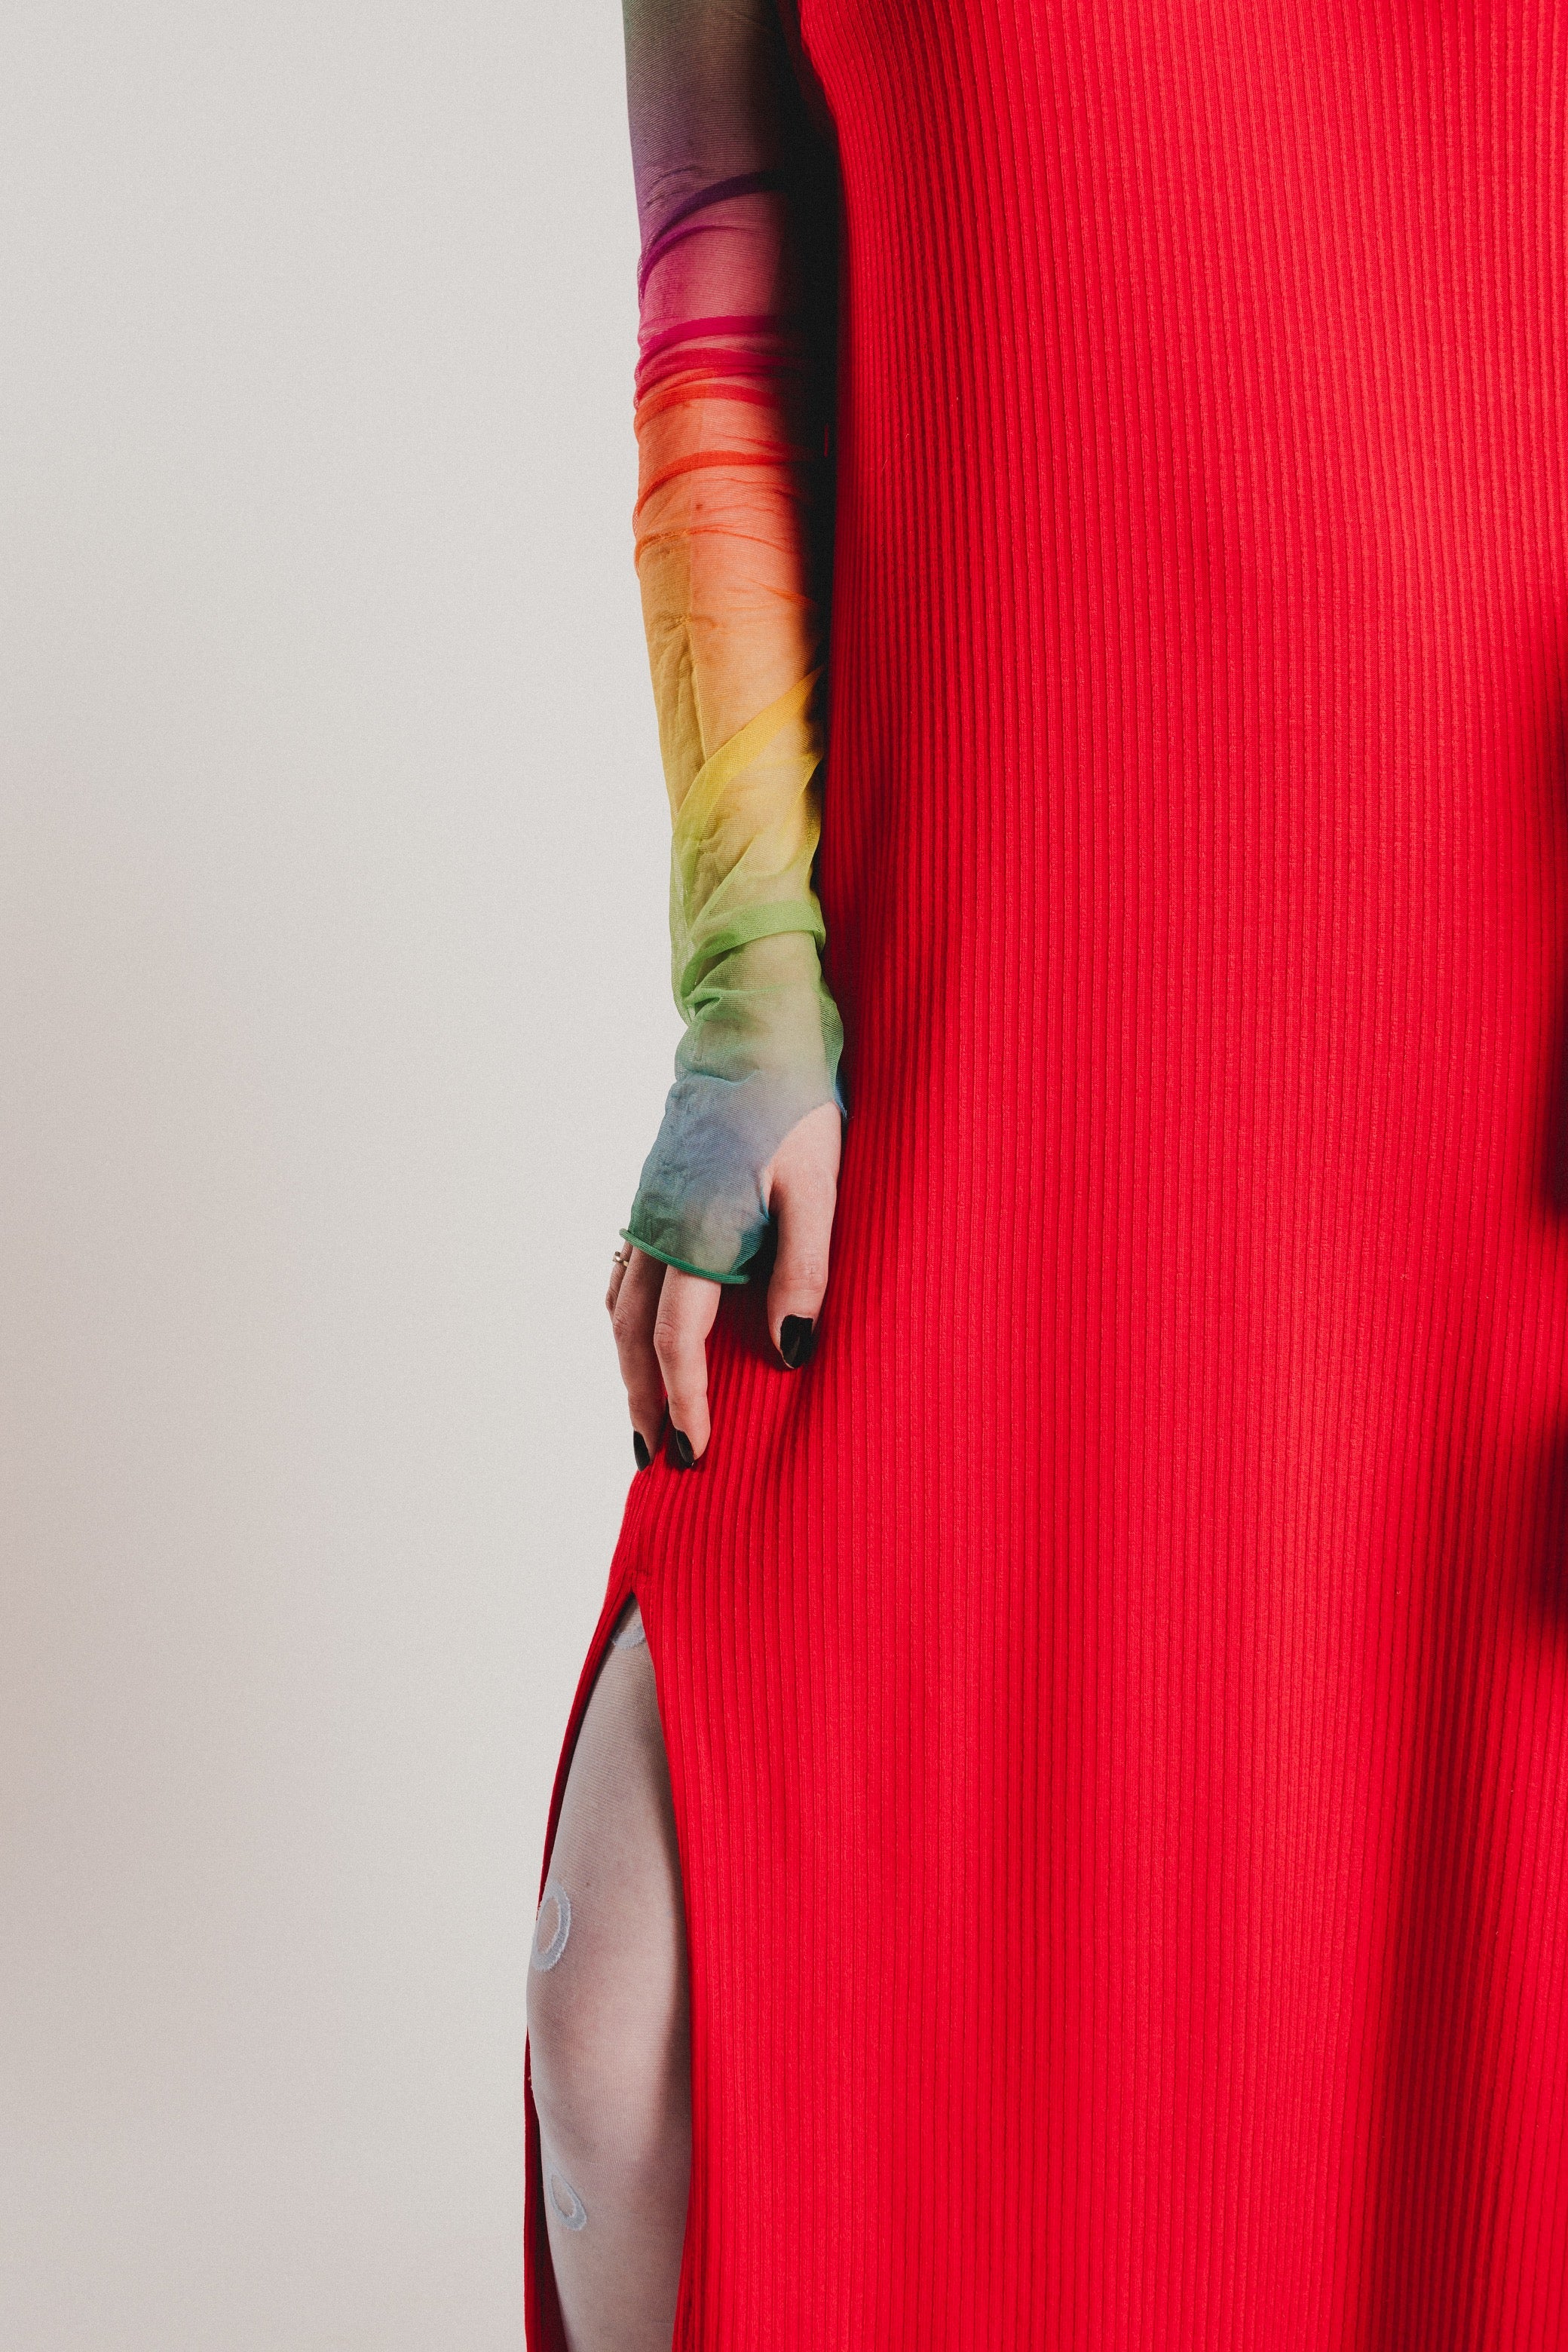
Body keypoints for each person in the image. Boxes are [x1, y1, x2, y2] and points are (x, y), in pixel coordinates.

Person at [528, 2, 1568, 2347]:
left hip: (1496, 1088)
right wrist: (746, 974)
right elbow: (722, 252)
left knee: (1437, 2087)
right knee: (636, 2020)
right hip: (987, 1015)